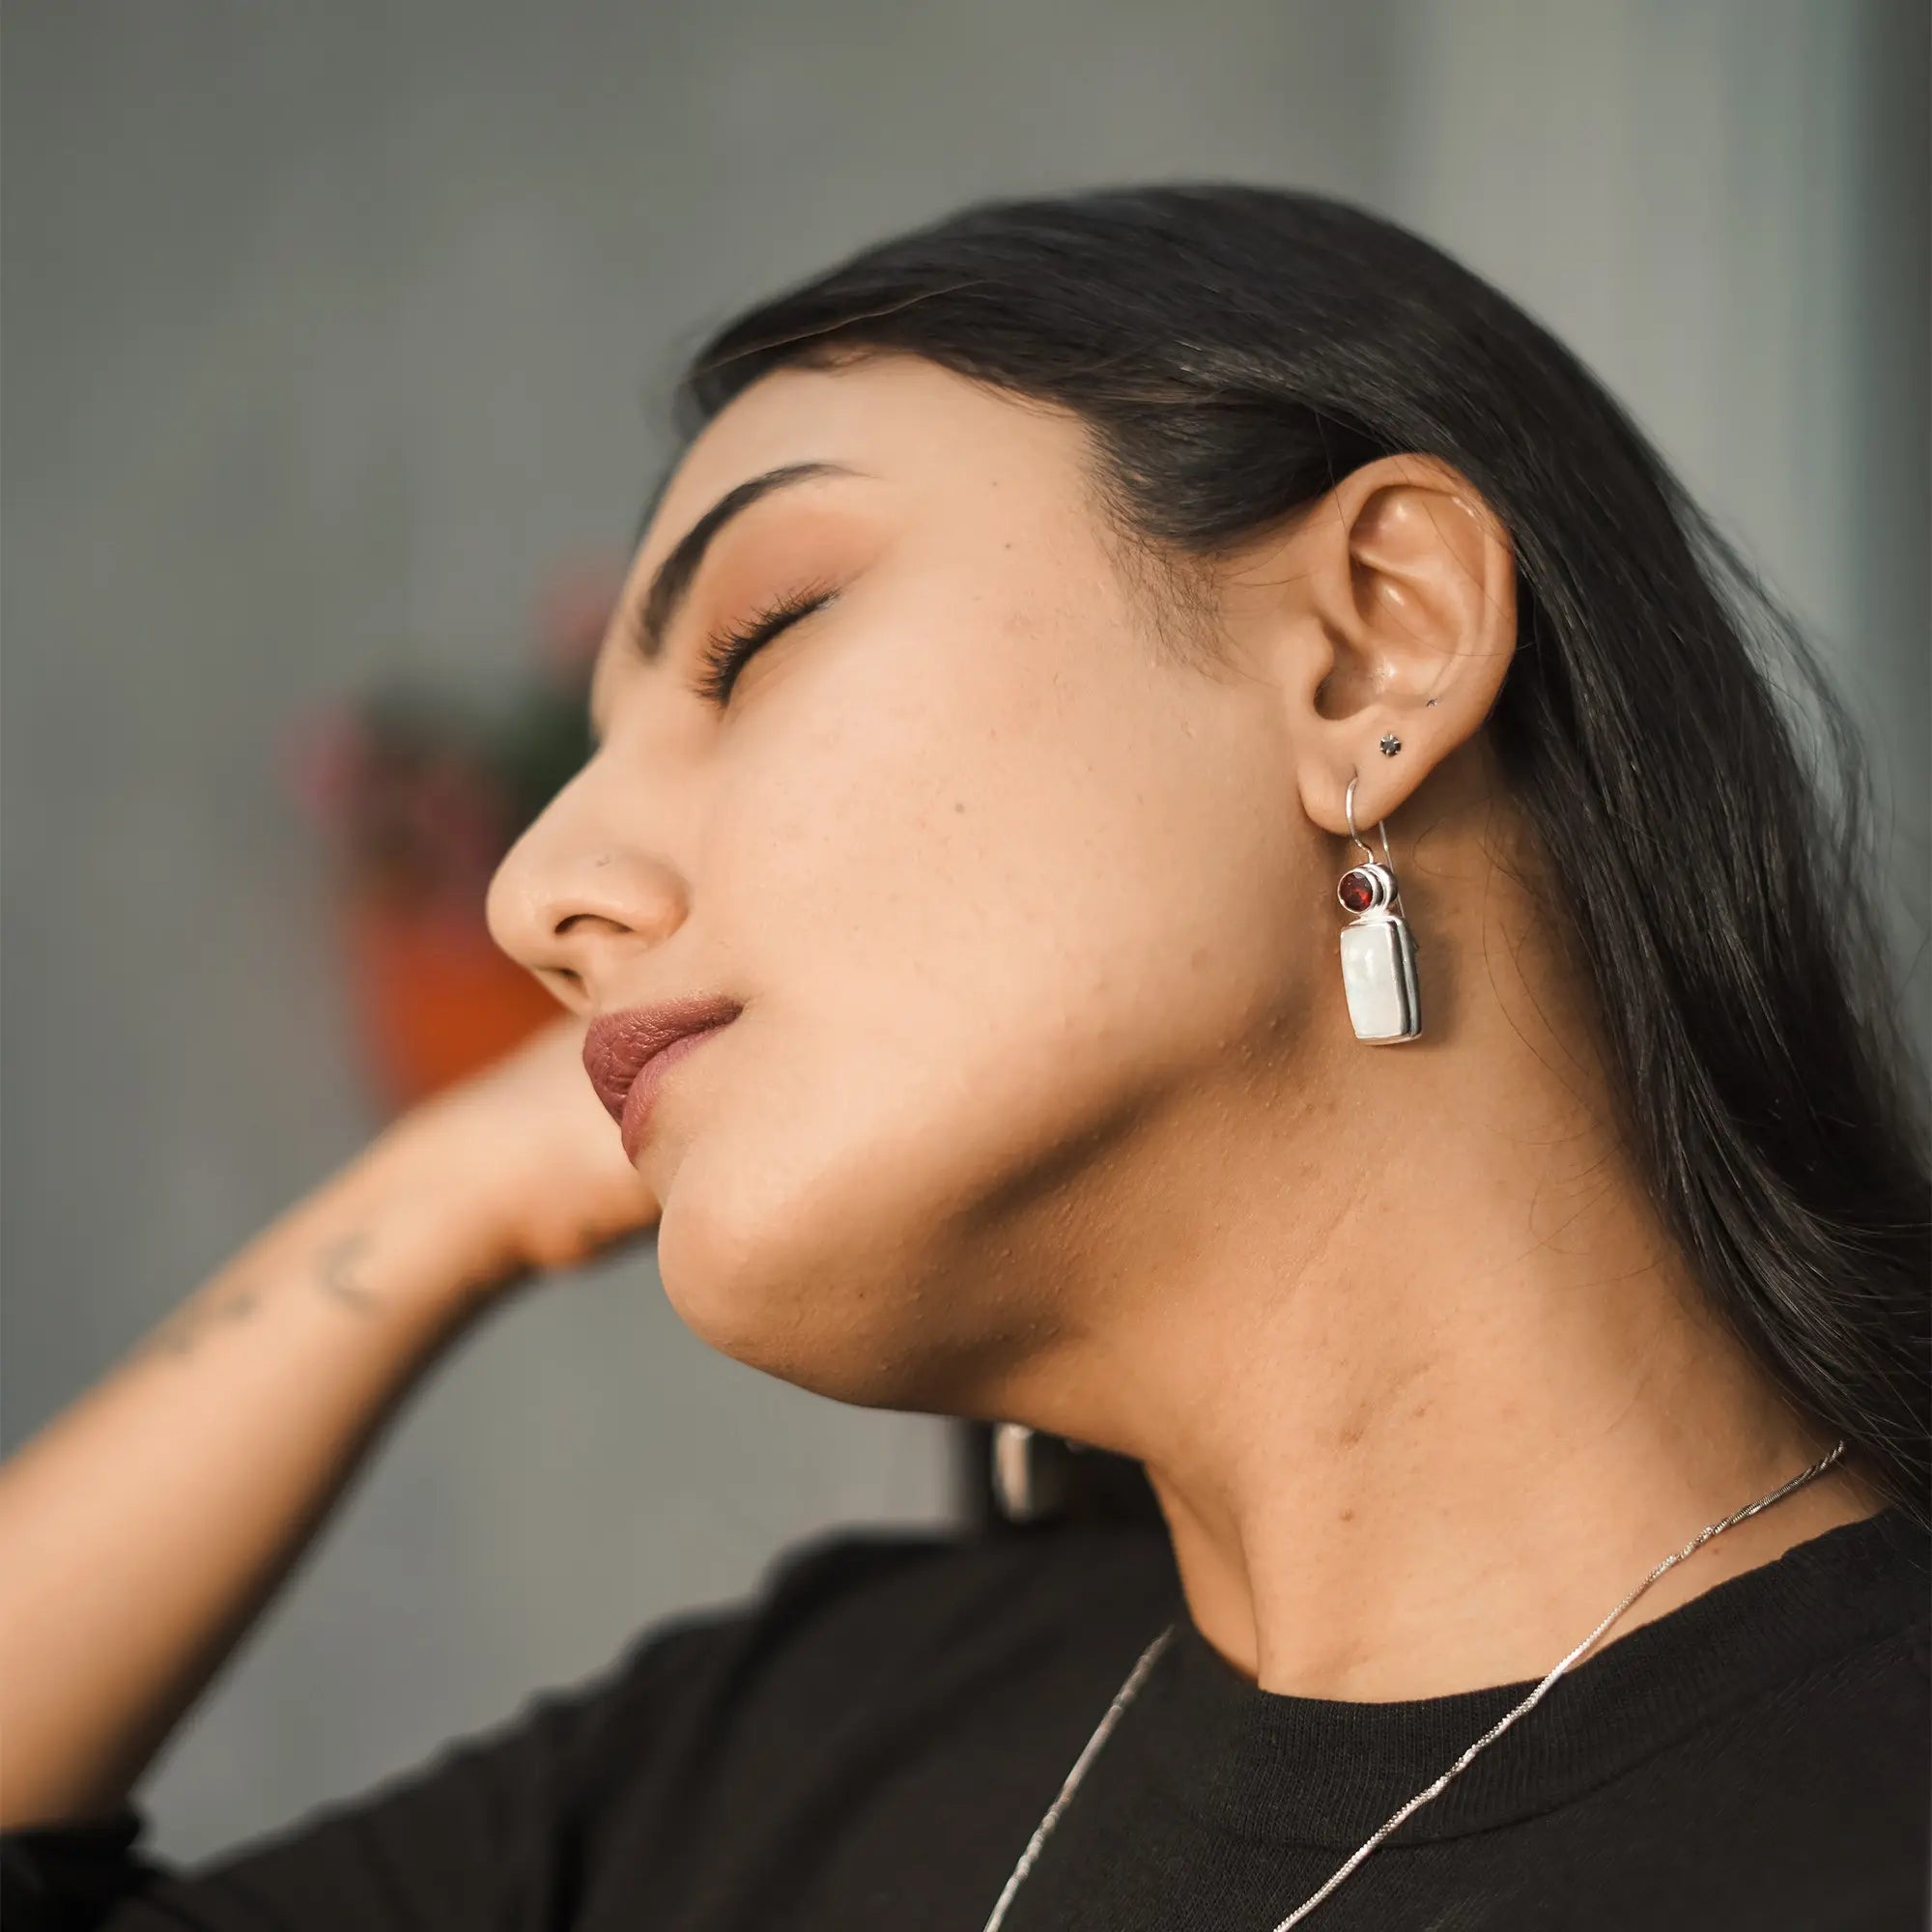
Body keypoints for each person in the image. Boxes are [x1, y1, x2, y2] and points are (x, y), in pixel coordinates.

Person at [3, 182, 1926, 1932]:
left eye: (761, 638)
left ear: (1368, 647)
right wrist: (452, 1201)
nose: (533, 889)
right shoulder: (798, 1744)